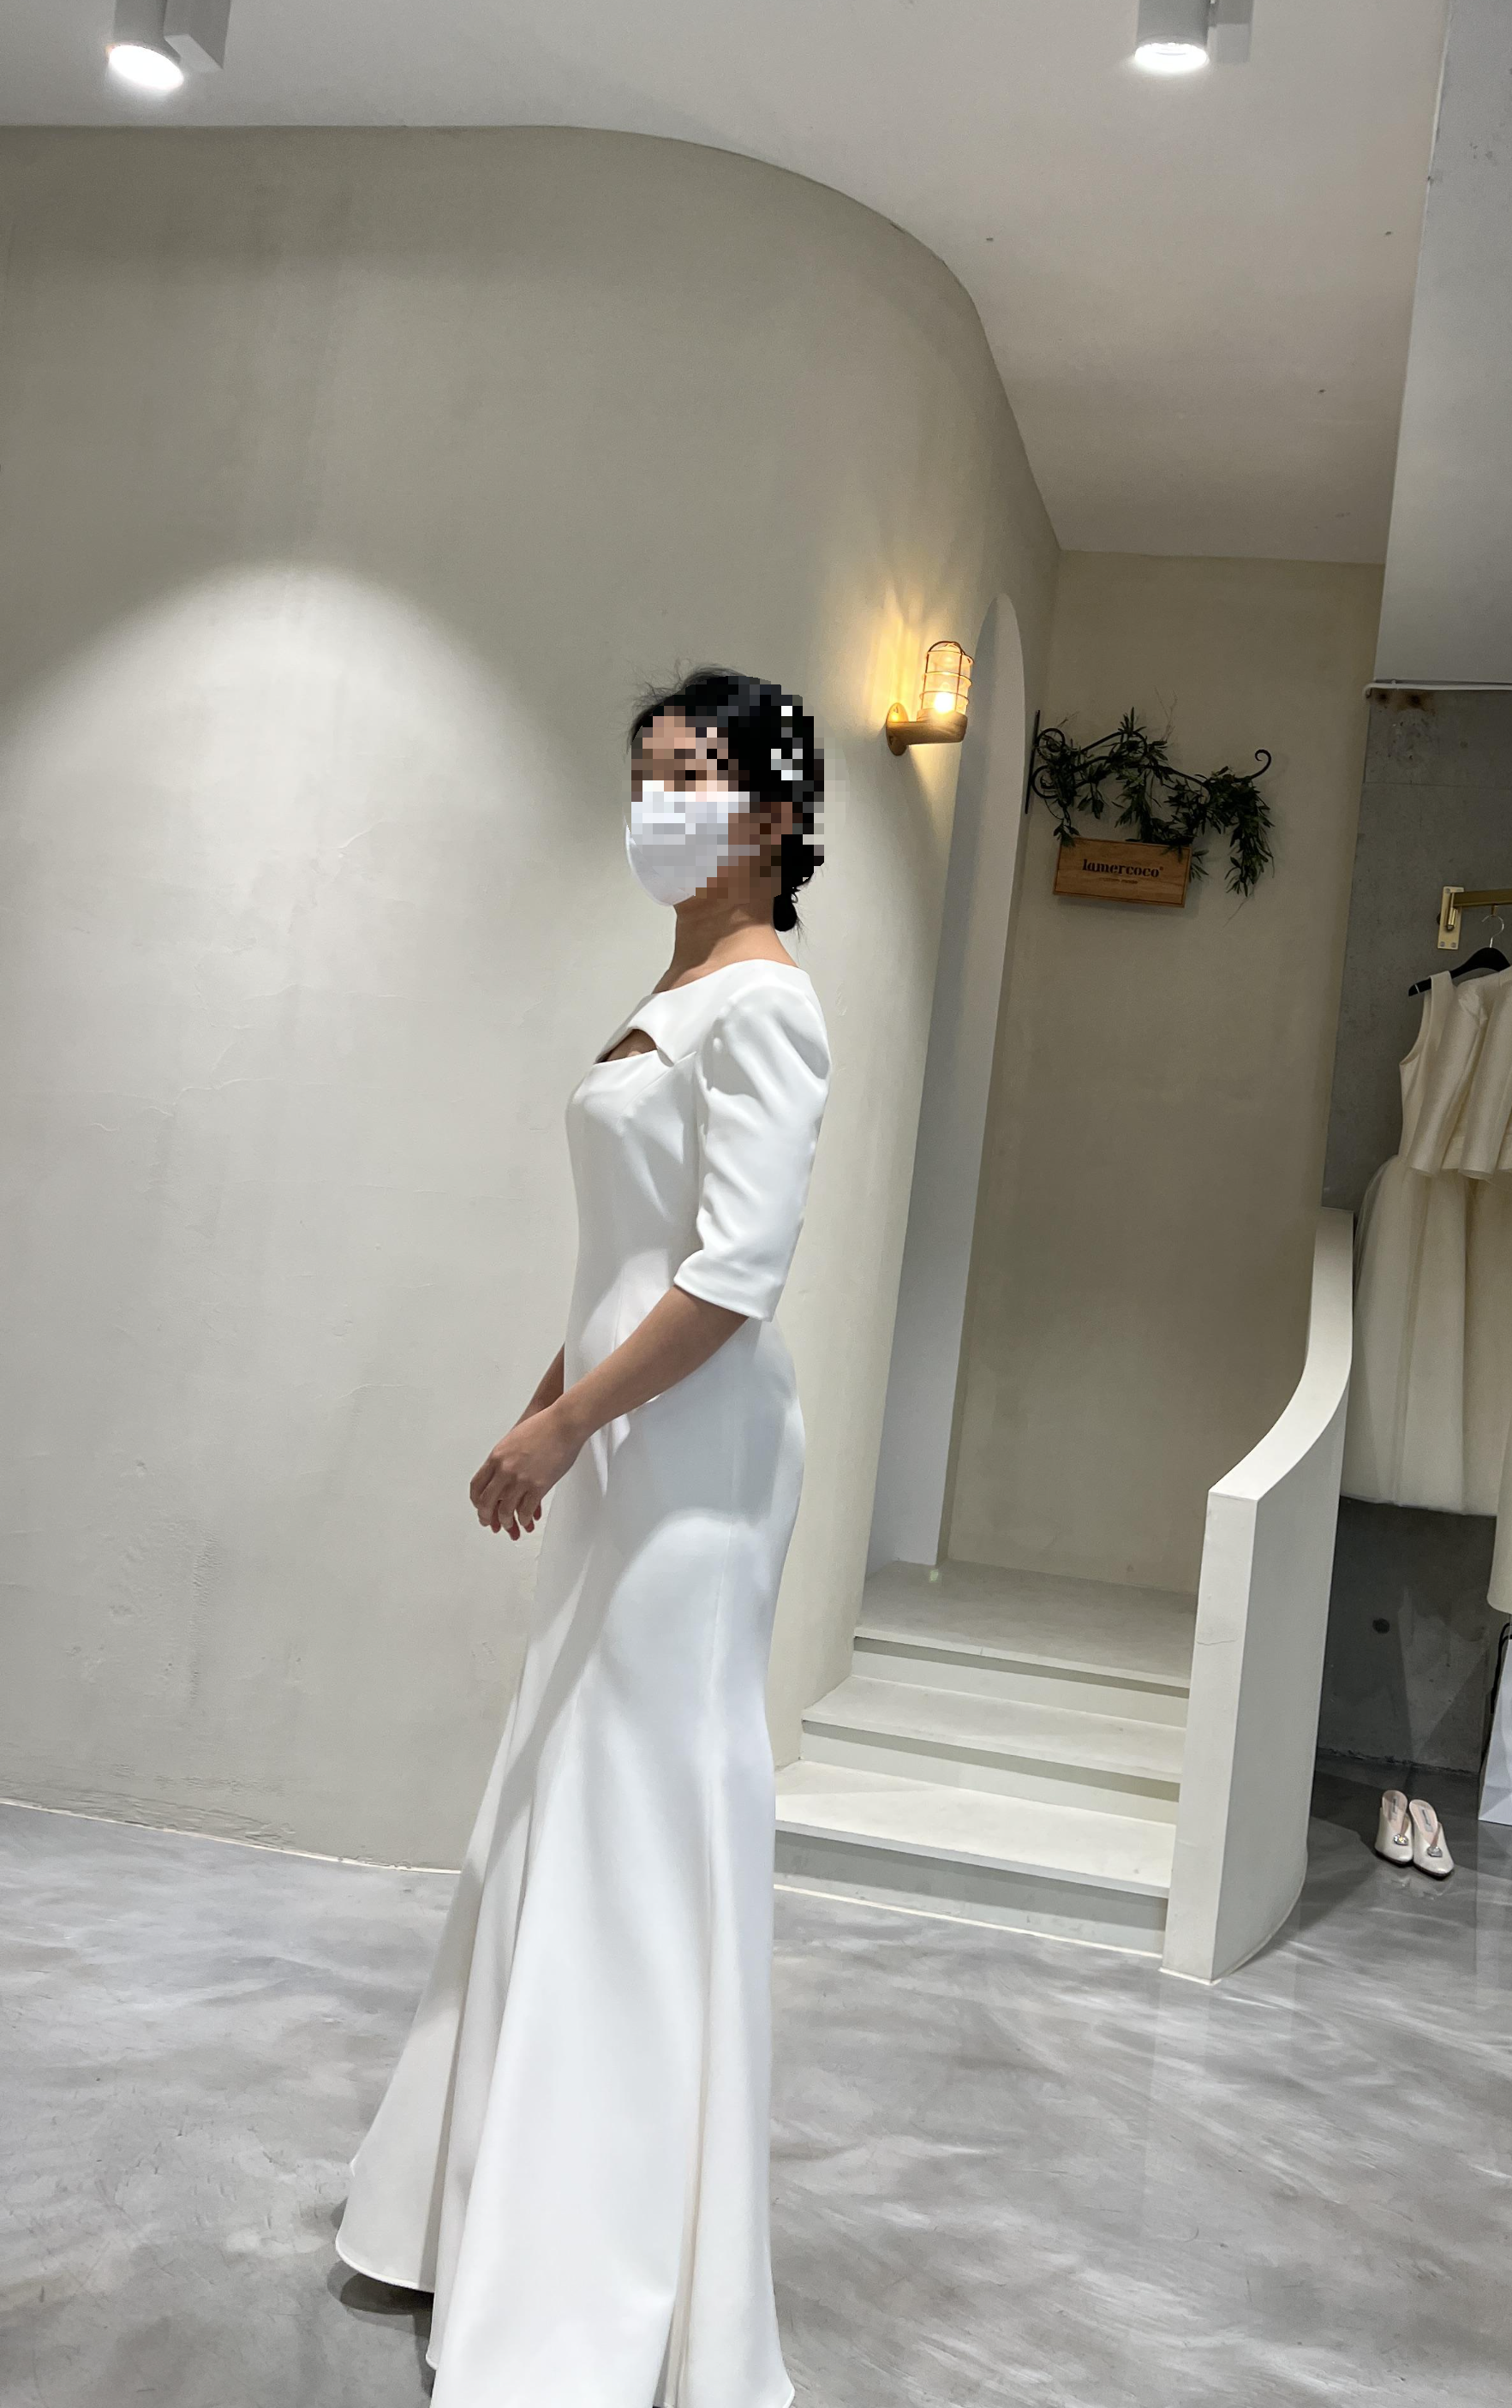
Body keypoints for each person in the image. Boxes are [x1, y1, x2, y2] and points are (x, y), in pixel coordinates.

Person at [336, 669, 832, 2408]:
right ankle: (485, 2216)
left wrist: (568, 1422)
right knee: (560, 1792)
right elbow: (628, 1258)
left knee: (638, 1818)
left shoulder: (768, 1004)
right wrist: (544, 1410)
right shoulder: (674, 992)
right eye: (644, 778)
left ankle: (597, 2283)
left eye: (692, 777)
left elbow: (728, 1280)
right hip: (628, 1440)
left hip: (699, 1465)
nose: (657, 807)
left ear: (774, 813)